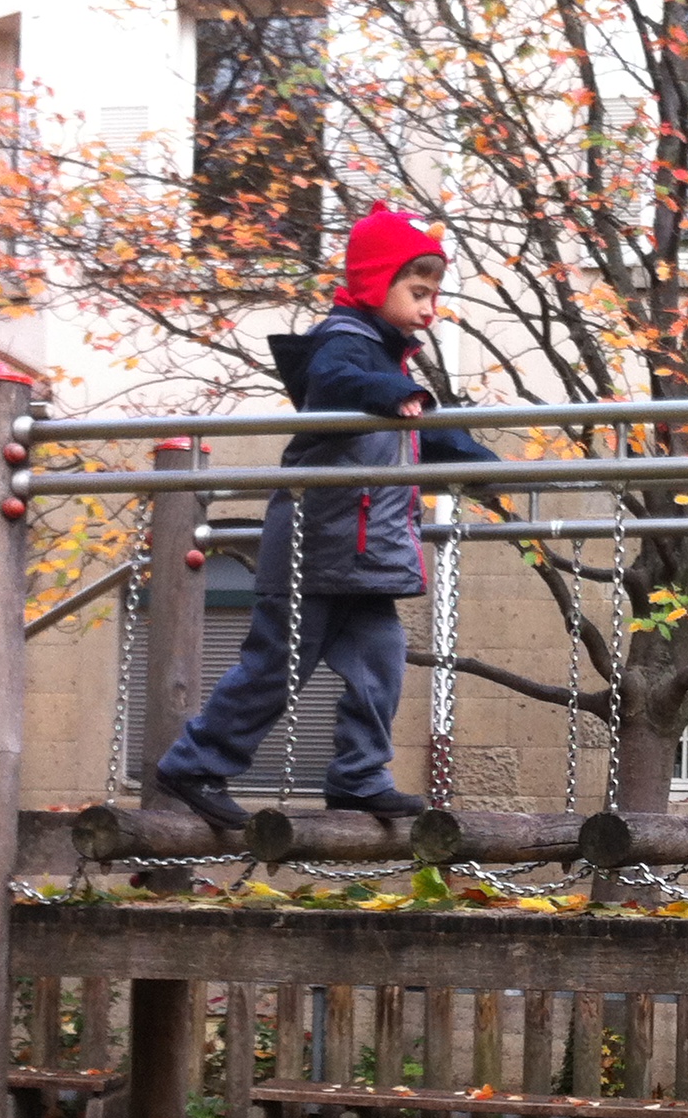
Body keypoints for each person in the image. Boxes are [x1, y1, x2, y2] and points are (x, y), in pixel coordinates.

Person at [152, 203, 497, 830]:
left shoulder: (388, 363)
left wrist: (491, 471)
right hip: (314, 548)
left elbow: (432, 437)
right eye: (418, 293)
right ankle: (194, 764)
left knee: (380, 663)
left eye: (434, 295)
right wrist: (395, 393)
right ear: (375, 284)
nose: (430, 309)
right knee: (277, 665)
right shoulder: (344, 343)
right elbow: (335, 383)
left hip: (364, 555)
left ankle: (359, 777)